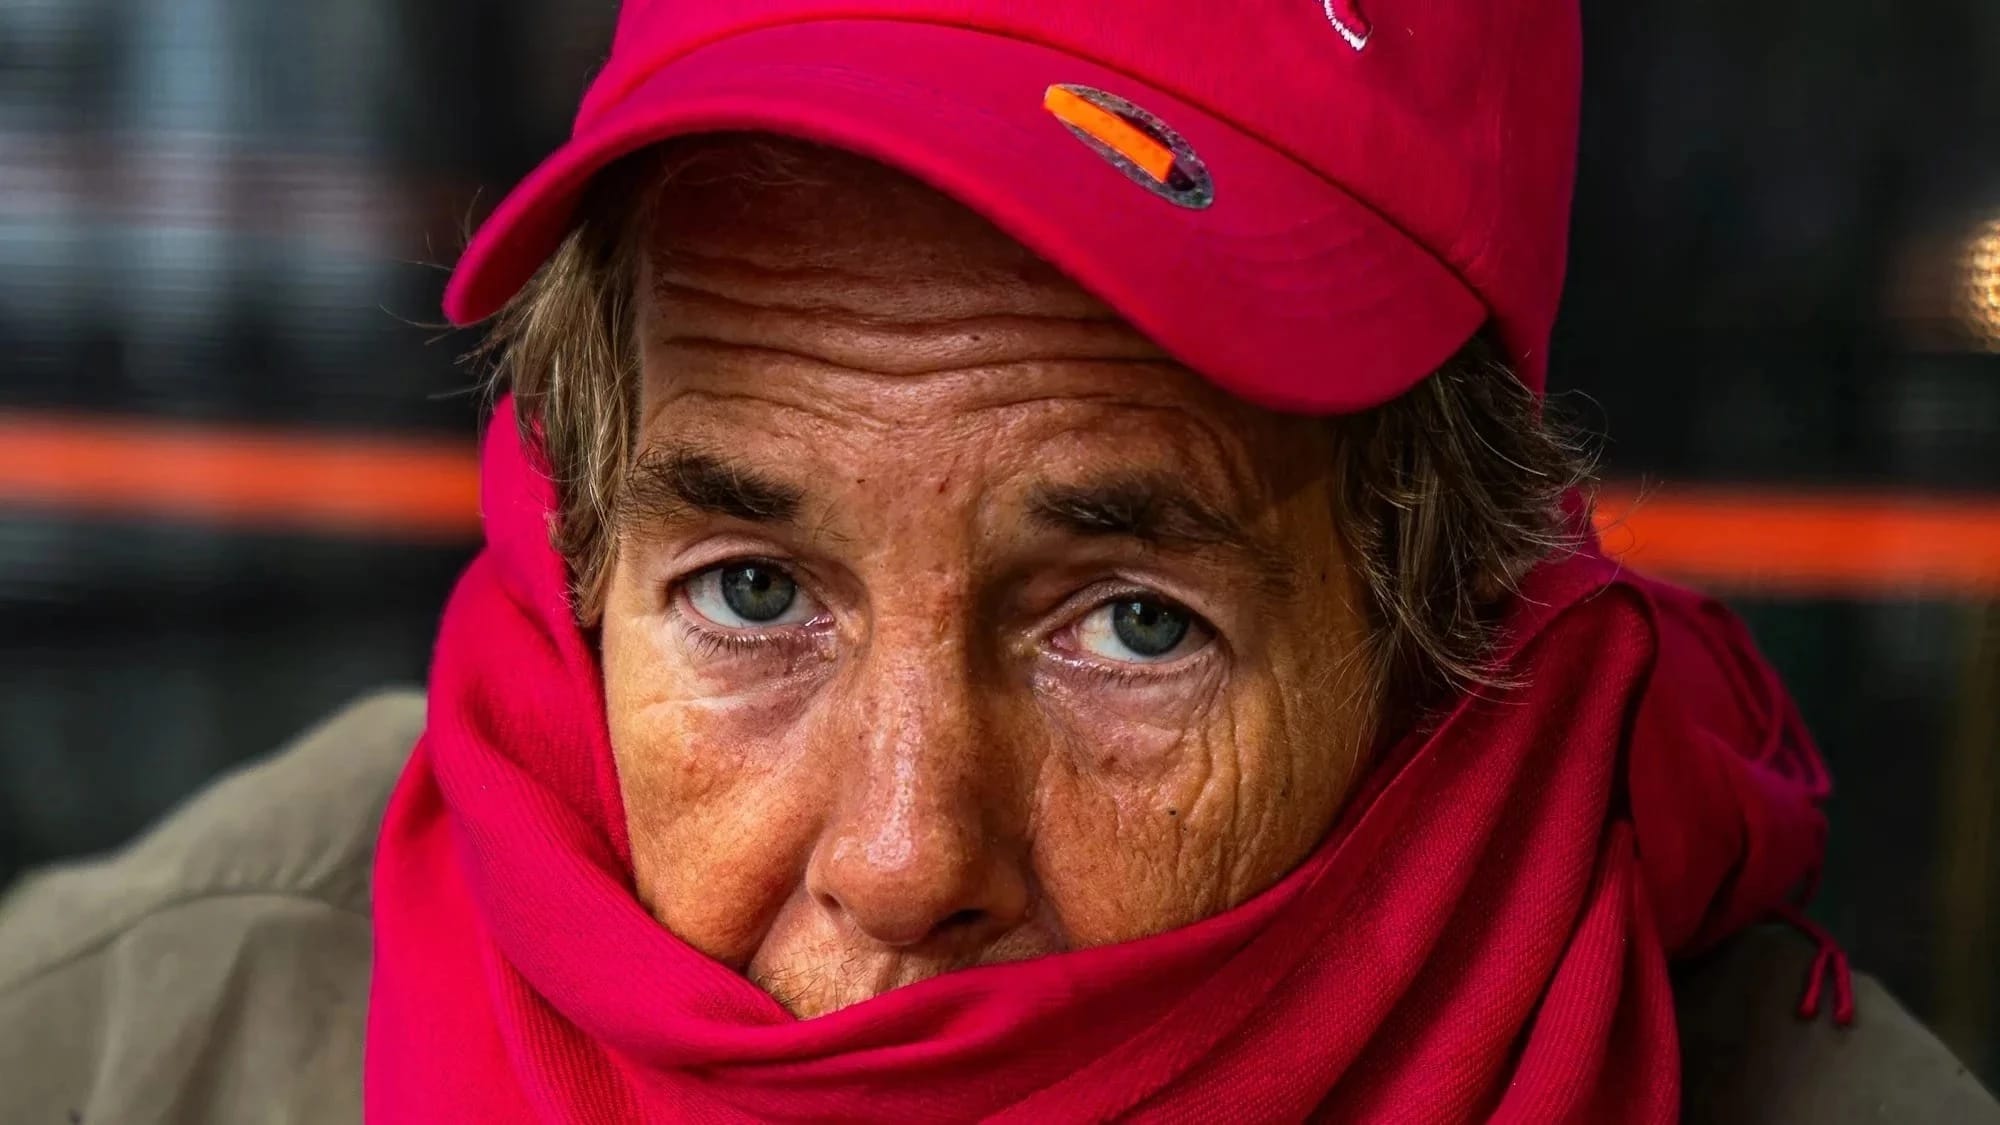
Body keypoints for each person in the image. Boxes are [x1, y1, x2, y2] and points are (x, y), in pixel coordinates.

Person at [2, 2, 1995, 1122]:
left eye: (1133, 622)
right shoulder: (116, 1049)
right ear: (581, 545)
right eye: (752, 590)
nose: (899, 853)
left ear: (1438, 620)